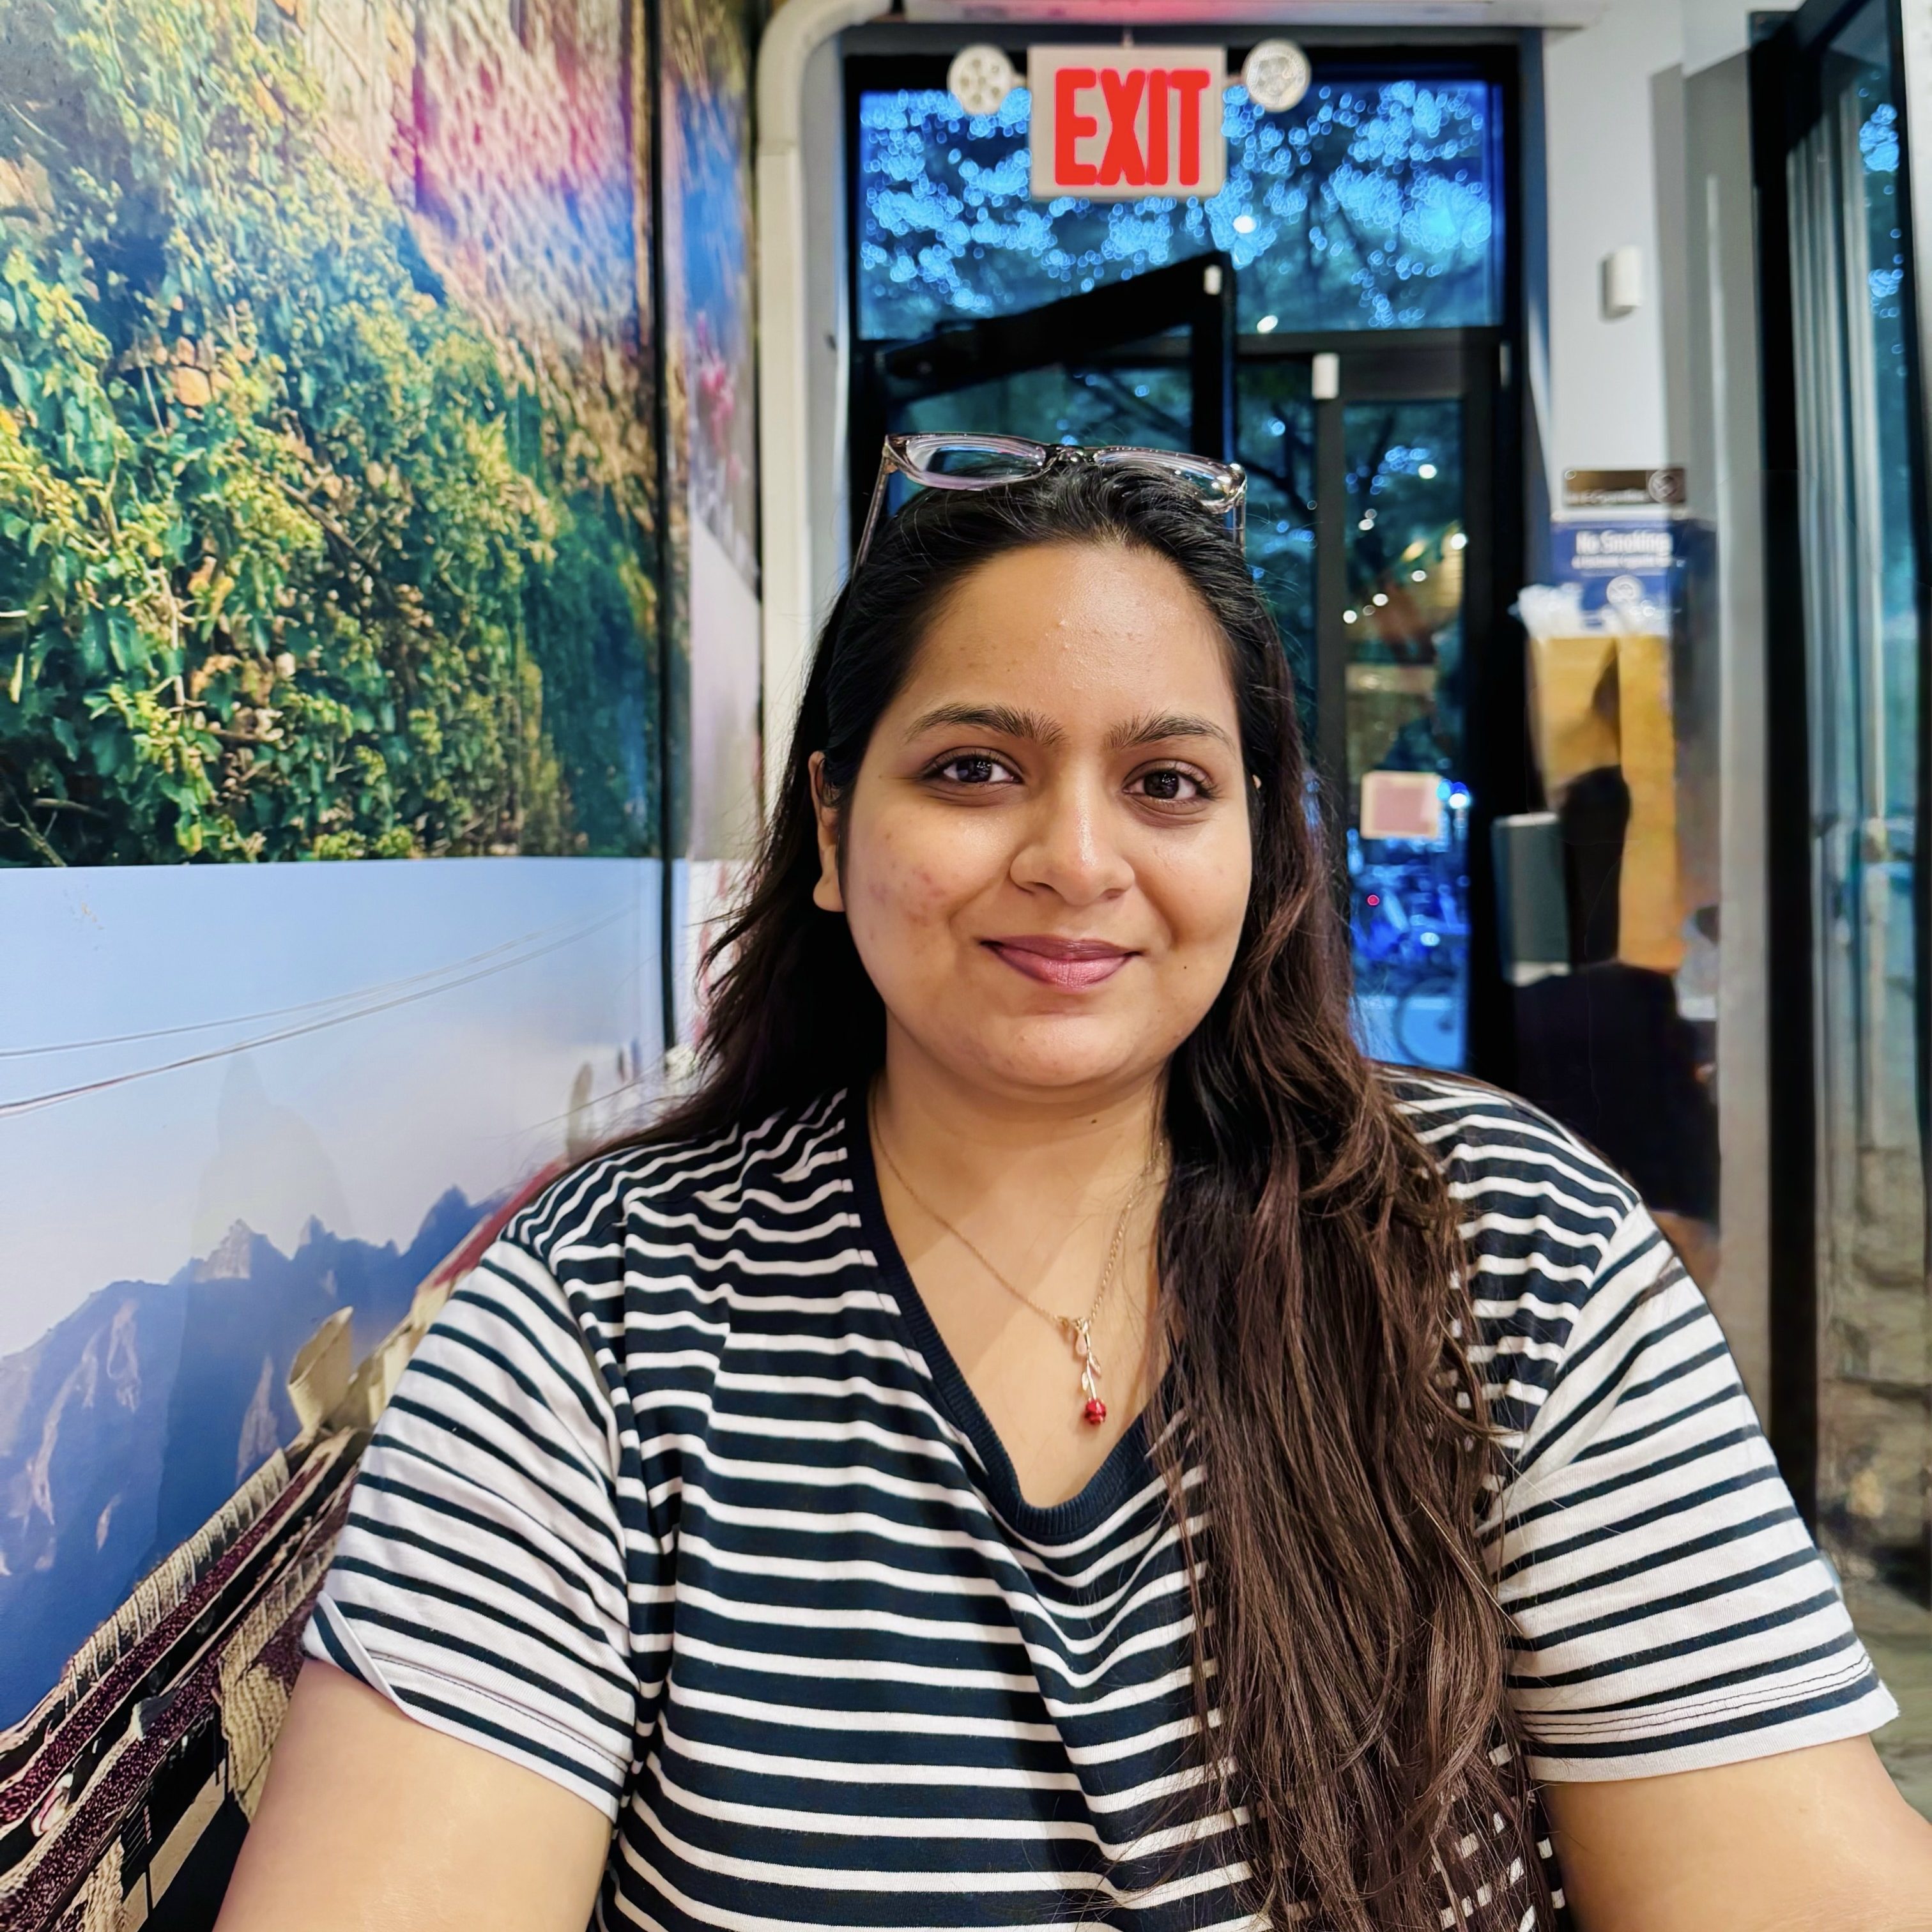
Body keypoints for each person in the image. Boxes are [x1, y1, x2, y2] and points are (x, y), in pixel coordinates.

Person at [216, 448, 1932, 1932]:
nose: (1078, 861)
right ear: (834, 828)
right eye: (975, 768)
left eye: (1168, 784)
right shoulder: (598, 1315)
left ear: (1260, 847)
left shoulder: (1504, 1248)